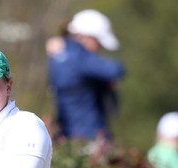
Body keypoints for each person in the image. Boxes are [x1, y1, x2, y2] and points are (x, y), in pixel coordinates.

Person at [47, 9, 125, 141]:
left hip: (69, 132)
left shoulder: (61, 55)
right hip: (88, 134)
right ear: (86, 37)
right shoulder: (79, 56)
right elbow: (116, 69)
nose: (100, 49)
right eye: (99, 43)